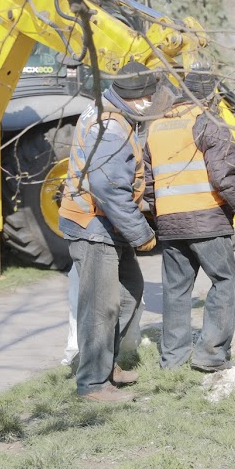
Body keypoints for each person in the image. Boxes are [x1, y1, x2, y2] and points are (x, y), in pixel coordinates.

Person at [143, 68, 235, 372]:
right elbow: (225, 178)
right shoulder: (208, 123)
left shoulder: (156, 127)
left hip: (170, 224)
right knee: (224, 284)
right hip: (207, 221)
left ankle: (172, 359)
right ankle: (211, 355)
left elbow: (146, 183)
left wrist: (159, 216)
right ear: (211, 94)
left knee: (175, 291)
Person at [59, 61, 166, 402]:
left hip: (105, 224)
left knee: (129, 293)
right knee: (101, 306)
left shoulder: (112, 113)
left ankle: (104, 364)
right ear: (137, 98)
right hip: (94, 226)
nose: (151, 103)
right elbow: (107, 186)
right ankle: (92, 384)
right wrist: (141, 232)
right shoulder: (111, 127)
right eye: (149, 97)